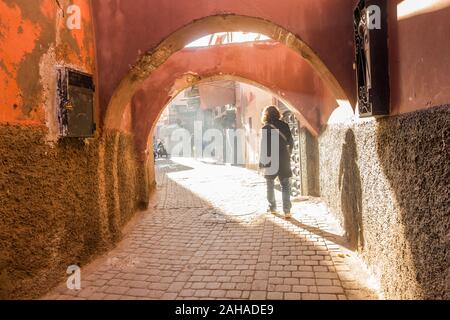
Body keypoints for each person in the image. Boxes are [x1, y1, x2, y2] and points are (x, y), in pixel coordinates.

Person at [259, 106, 294, 219]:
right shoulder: (285, 125)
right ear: (278, 114)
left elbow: (263, 147)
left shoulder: (265, 128)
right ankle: (287, 211)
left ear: (266, 115)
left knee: (270, 185)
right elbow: (290, 142)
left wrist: (261, 162)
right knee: (285, 186)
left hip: (270, 160)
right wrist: (289, 153)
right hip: (283, 159)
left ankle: (272, 207)